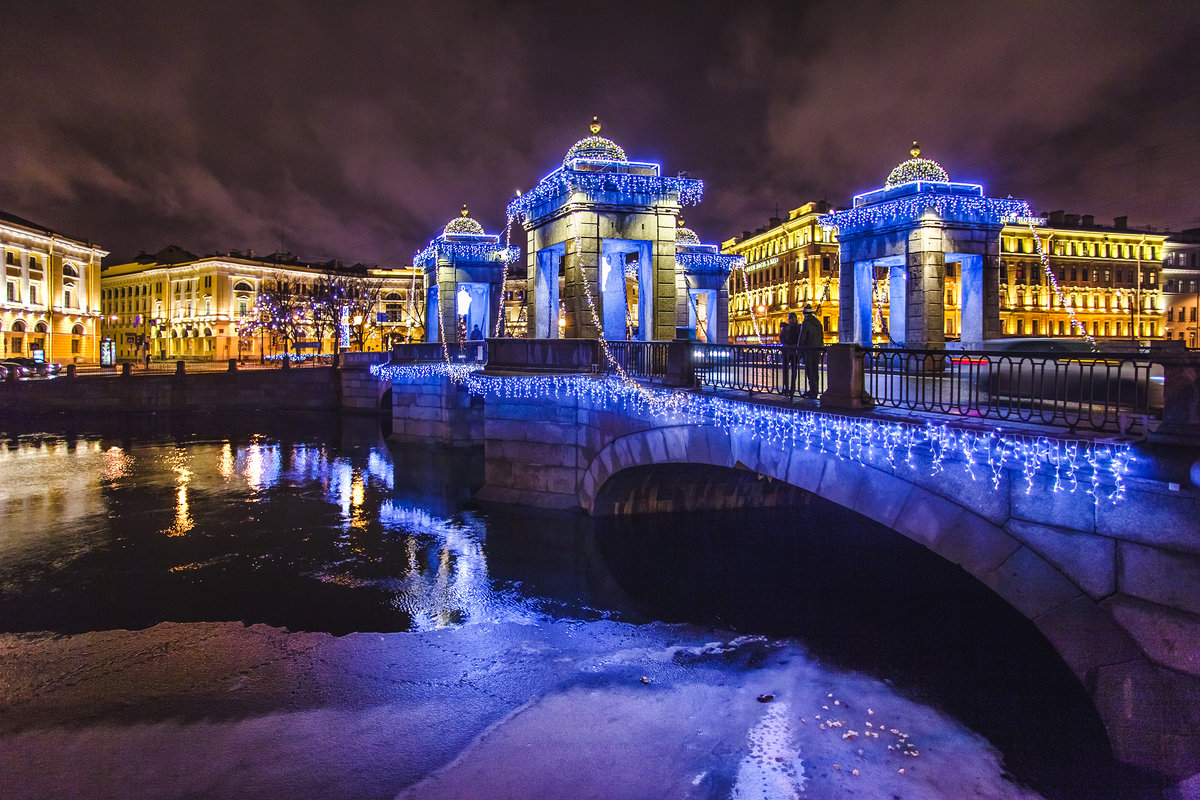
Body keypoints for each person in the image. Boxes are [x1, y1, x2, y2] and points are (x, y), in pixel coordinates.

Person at [798, 305, 824, 398]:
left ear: (805, 314)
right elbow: (821, 338)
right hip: (817, 350)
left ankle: (812, 391)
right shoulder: (818, 323)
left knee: (809, 370)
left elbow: (802, 338)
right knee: (815, 370)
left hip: (809, 350)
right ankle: (815, 390)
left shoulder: (806, 323)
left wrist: (799, 350)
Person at [778, 311, 801, 396]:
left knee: (794, 370)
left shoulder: (798, 327)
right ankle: (786, 387)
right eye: (791, 318)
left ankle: (792, 388)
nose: (792, 320)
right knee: (785, 370)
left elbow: (799, 338)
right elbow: (781, 337)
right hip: (786, 350)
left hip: (794, 351)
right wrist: (785, 343)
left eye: (794, 318)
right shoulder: (785, 328)